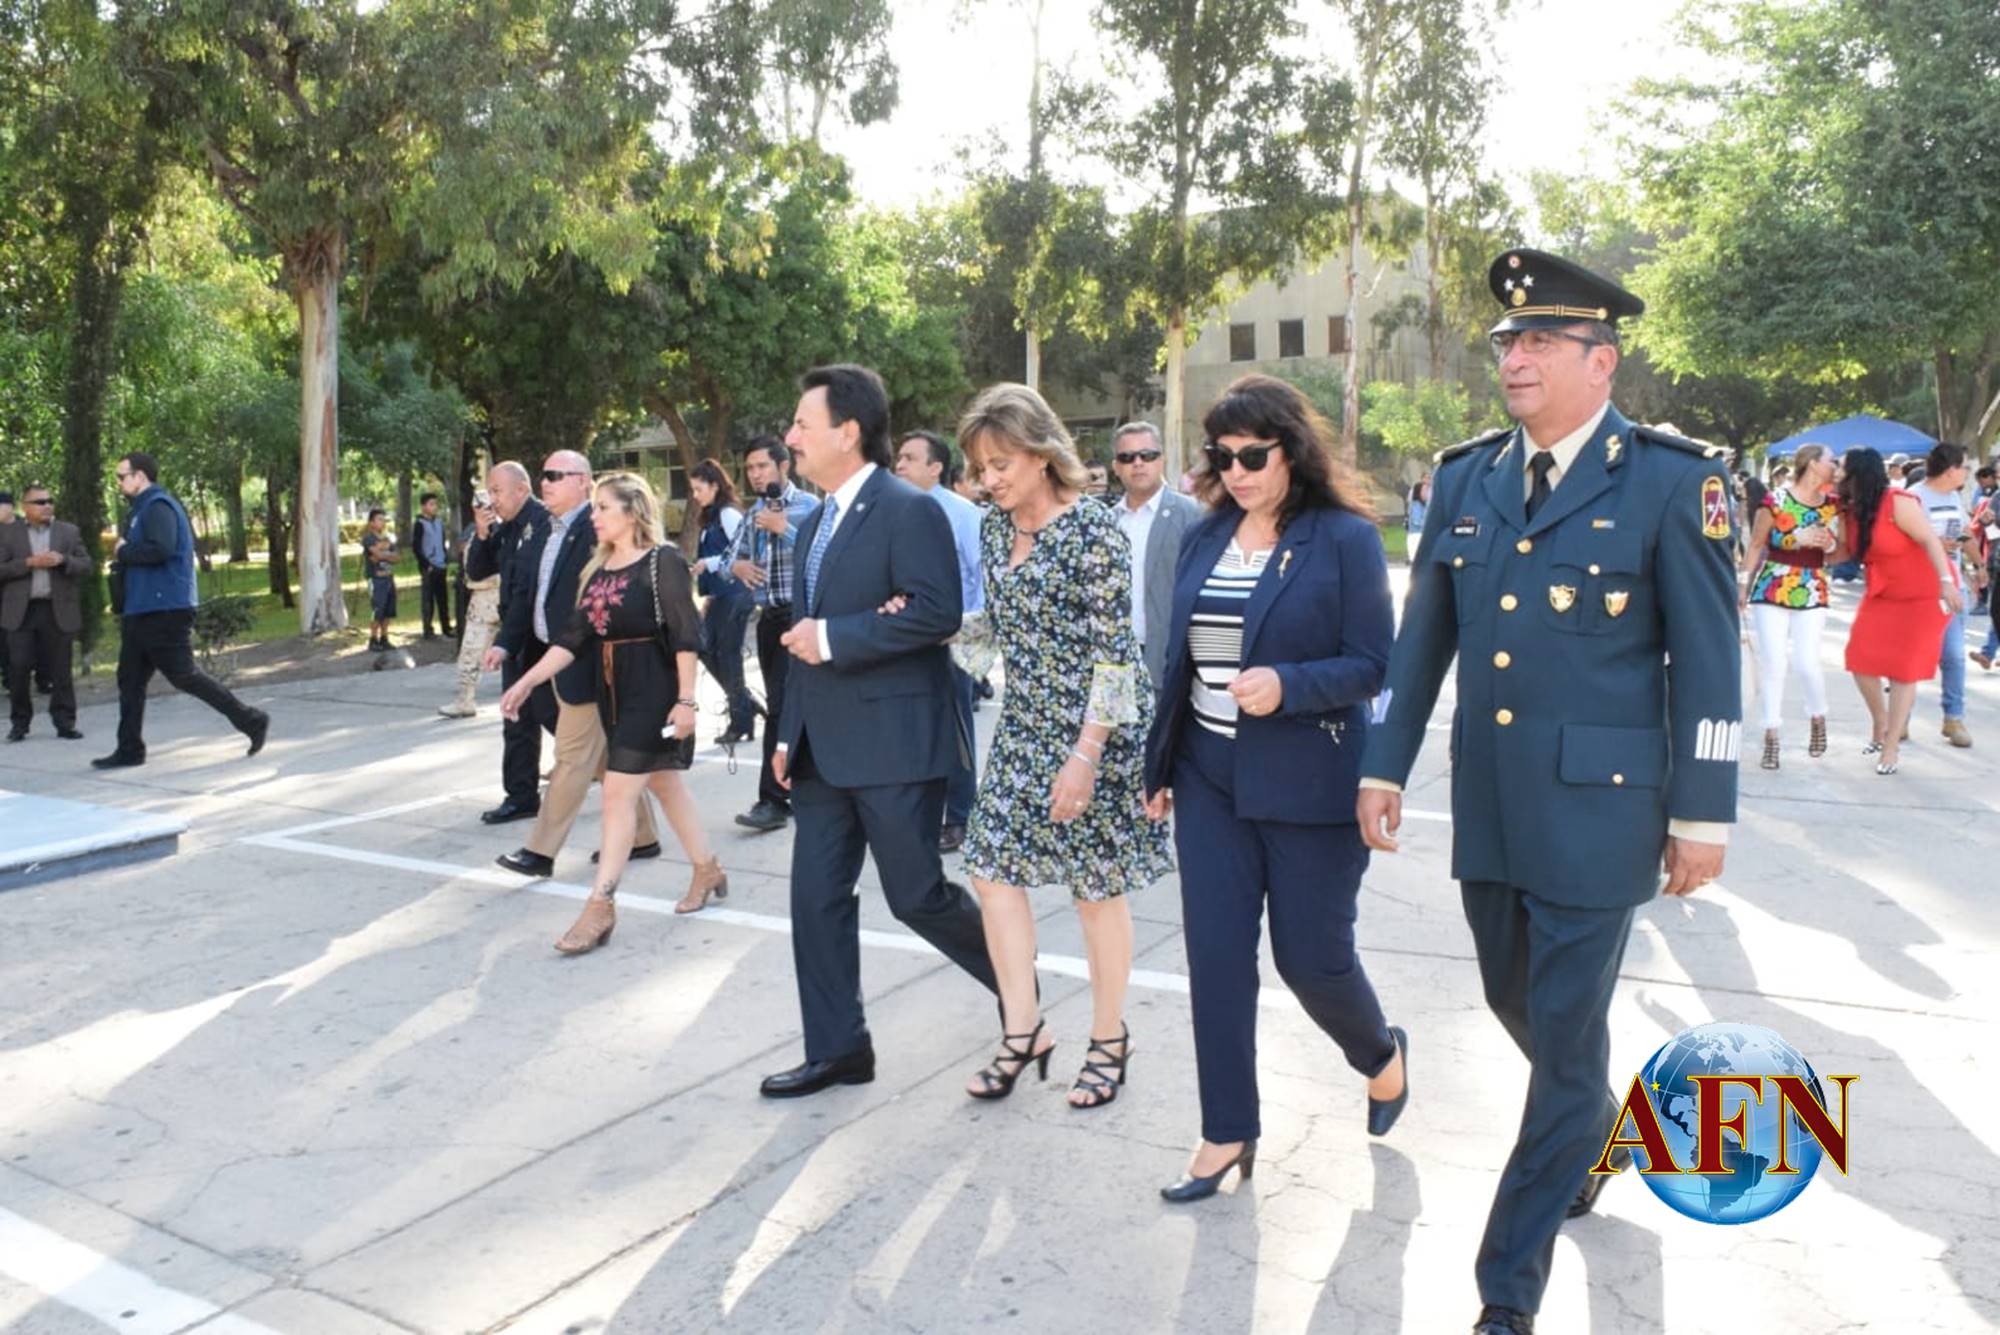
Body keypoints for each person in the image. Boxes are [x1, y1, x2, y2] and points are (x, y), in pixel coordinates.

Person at [1356, 250, 1740, 1335]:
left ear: (1599, 361)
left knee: (1563, 1039)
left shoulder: (1673, 481)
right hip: (1492, 803)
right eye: (1506, 342)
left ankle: (1505, 1289)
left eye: (1537, 341)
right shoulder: (1468, 476)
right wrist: (1383, 761)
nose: (1513, 358)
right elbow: (1422, 640)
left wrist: (1701, 814)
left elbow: (1710, 664)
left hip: (1601, 813)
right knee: (1513, 1001)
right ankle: (1595, 1128)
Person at [1141, 374, 1405, 1203]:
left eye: (1252, 456)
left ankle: (1380, 1052)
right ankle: (1227, 1129)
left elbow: (1373, 663)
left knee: (1311, 960)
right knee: (1216, 958)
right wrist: (1159, 766)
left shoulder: (1345, 539)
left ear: (1290, 449)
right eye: (1222, 457)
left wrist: (1289, 684)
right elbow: (1177, 662)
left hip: (1309, 781)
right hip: (1208, 778)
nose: (1237, 471)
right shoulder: (1204, 536)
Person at [911, 385, 1174, 1112]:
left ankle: (1109, 1037)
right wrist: (924, 629)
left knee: (1095, 889)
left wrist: (1085, 757)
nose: (988, 479)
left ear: (1039, 453)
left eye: (1000, 464)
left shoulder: (1093, 530)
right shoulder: (997, 530)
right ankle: (1023, 1029)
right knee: (991, 869)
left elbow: (1116, 657)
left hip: (1098, 733)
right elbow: (998, 626)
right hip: (1025, 726)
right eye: (980, 467)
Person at [757, 364, 996, 1099]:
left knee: (917, 896)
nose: (791, 436)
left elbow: (934, 611)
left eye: (803, 423)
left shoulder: (907, 509)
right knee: (815, 901)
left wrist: (837, 637)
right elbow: (802, 636)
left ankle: (1019, 991)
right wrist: (787, 734)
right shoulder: (817, 519)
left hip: (893, 745)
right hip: (820, 749)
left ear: (848, 431)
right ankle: (838, 1050)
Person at [500, 473, 725, 945]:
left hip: (655, 690)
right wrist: (526, 681)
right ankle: (706, 869)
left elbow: (686, 635)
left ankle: (600, 906)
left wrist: (686, 700)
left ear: (632, 510)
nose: (595, 515)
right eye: (594, 507)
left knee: (616, 795)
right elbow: (572, 639)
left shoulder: (663, 561)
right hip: (612, 692)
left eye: (603, 507)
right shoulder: (599, 568)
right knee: (665, 786)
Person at [491, 451, 663, 880]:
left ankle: (540, 851)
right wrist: (508, 645)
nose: (545, 483)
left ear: (583, 481)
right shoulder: (549, 530)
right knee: (602, 758)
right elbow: (529, 595)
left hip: (590, 665)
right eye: (543, 475)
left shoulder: (597, 528)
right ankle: (642, 836)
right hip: (558, 660)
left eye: (555, 476)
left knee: (569, 759)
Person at [94, 453, 270, 769]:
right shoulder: (140, 509)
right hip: (142, 608)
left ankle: (251, 719)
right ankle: (129, 749)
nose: (118, 483)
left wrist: (124, 551)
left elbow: (161, 549)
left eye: (122, 476)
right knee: (130, 680)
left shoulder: (158, 506)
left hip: (164, 608)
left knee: (183, 675)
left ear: (140, 476)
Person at [1838, 447, 1963, 774]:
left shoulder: (1898, 501)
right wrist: (1813, 549)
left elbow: (1930, 541)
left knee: (1904, 670)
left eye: (1842, 468)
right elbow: (1844, 553)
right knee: (1859, 658)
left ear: (1858, 473)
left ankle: (1891, 746)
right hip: (1883, 591)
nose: (1837, 474)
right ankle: (1881, 722)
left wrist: (1946, 582)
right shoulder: (1850, 509)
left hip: (1924, 592)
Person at [720, 436, 820, 834]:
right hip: (770, 621)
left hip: (804, 619)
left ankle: (775, 799)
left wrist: (786, 530)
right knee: (782, 706)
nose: (756, 475)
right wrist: (738, 567)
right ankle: (785, 793)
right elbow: (727, 560)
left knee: (789, 706)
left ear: (784, 466)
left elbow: (824, 559)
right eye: (750, 468)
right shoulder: (752, 514)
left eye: (762, 466)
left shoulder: (811, 507)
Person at [894, 429, 985, 853]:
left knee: (954, 730)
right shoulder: (893, 511)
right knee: (911, 732)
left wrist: (970, 636)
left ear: (935, 468)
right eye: (898, 458)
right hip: (902, 641)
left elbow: (983, 578)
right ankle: (919, 816)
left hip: (951, 641)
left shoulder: (963, 514)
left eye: (910, 458)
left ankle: (961, 816)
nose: (899, 465)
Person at [1739, 443, 1840, 768]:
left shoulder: (1834, 505)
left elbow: (1841, 548)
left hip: (1812, 586)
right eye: (1831, 460)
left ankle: (1818, 715)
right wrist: (1742, 585)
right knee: (1773, 664)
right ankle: (1771, 734)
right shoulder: (1776, 500)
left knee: (1807, 662)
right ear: (1813, 464)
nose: (1835, 465)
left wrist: (1830, 543)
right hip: (1773, 585)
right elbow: (1756, 544)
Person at [463, 461, 553, 822]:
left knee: (556, 717)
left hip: (542, 638)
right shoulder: (508, 527)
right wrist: (483, 533)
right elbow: (477, 571)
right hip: (517, 639)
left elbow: (526, 593)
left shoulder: (543, 524)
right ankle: (521, 796)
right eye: (490, 491)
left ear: (522, 489)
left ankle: (614, 770)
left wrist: (503, 642)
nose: (492, 499)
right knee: (517, 718)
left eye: (497, 491)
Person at [1109, 421, 1202, 692]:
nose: (1138, 463)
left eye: (1147, 455)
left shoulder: (1191, 515)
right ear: (1116, 467)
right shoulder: (1106, 521)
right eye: (1127, 457)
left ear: (1161, 460)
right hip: (1114, 661)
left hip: (1168, 659)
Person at [1, 483, 91, 741]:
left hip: (57, 609)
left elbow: (86, 565)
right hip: (22, 611)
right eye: (40, 502)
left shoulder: (68, 532)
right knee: (18, 668)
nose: (47, 506)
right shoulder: (8, 534)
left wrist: (63, 561)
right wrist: (28, 563)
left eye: (50, 501)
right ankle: (19, 724)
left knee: (60, 670)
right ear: (25, 507)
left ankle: (65, 722)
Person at [688, 458, 758, 747]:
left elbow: (745, 551)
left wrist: (709, 563)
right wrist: (710, 596)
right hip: (721, 596)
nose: (695, 495)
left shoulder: (728, 514)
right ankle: (744, 703)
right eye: (692, 490)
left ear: (715, 486)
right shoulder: (711, 516)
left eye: (699, 488)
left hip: (737, 594)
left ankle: (740, 719)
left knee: (728, 657)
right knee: (705, 649)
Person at [1911, 442, 1976, 748]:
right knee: (1910, 655)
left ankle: (1954, 717)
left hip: (1953, 587)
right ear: (1951, 470)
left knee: (1954, 655)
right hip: (1919, 588)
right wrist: (1935, 544)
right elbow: (1902, 539)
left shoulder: (1953, 497)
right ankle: (1899, 717)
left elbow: (1965, 532)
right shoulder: (1913, 497)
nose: (1967, 472)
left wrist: (1976, 564)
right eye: (1965, 467)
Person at [413, 492, 454, 641]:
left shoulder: (439, 522)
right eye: (431, 504)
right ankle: (428, 630)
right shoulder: (420, 524)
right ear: (423, 507)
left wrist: (445, 557)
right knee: (428, 600)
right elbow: (416, 547)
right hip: (429, 567)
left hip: (441, 564)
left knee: (443, 599)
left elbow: (442, 542)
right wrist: (426, 564)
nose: (435, 507)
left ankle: (446, 627)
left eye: (436, 504)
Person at [360, 508, 399, 651]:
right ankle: (373, 639)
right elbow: (377, 554)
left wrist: (383, 554)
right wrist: (385, 554)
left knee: (388, 610)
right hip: (376, 579)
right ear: (371, 522)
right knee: (377, 610)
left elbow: (396, 557)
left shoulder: (388, 538)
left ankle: (384, 637)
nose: (383, 522)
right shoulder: (368, 538)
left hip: (389, 578)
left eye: (384, 519)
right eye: (379, 519)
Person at [1405, 472, 1432, 560]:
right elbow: (1417, 521)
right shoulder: (1416, 505)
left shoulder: (1425, 503)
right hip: (1417, 534)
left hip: (1422, 534)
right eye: (1424, 491)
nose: (1426, 493)